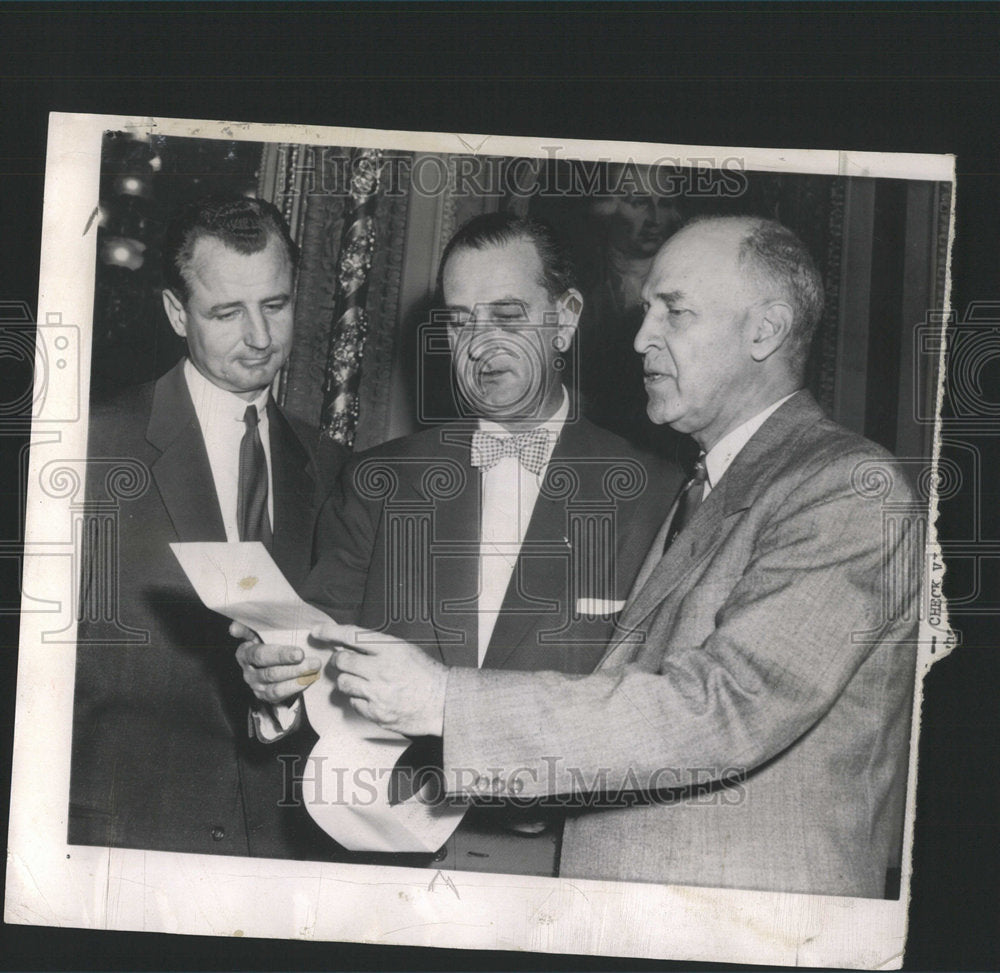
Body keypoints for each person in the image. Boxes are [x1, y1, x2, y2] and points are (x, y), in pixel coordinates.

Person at [290, 215, 920, 898]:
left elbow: (722, 707)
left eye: (673, 312)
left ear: (764, 329)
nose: (642, 337)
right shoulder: (712, 486)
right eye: (647, 310)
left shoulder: (846, 486)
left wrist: (445, 700)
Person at [236, 212, 679, 875]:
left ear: (565, 317)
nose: (481, 346)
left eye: (507, 316)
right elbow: (317, 657)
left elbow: (664, 717)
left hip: (556, 871)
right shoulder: (379, 480)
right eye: (460, 321)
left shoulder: (655, 493)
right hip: (379, 864)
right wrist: (277, 688)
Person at [69, 195, 346, 858]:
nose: (259, 336)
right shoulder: (87, 451)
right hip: (118, 846)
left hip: (280, 856)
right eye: (227, 312)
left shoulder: (337, 470)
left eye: (275, 305)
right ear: (175, 311)